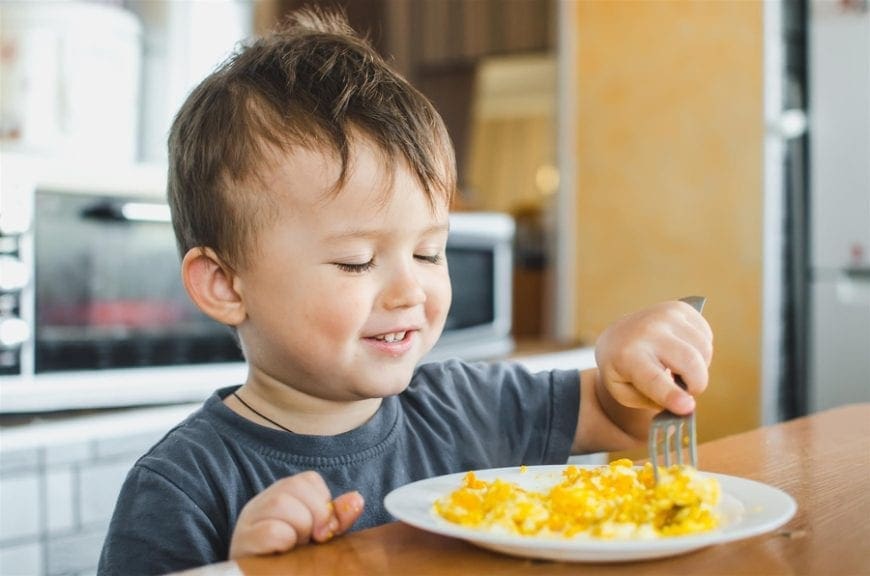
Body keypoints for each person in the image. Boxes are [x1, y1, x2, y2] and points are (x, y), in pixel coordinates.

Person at [98, 7, 713, 575]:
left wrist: (633, 368)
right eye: (356, 261)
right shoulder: (183, 485)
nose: (409, 290)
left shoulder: (466, 404)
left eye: (428, 252)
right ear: (225, 284)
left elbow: (618, 420)